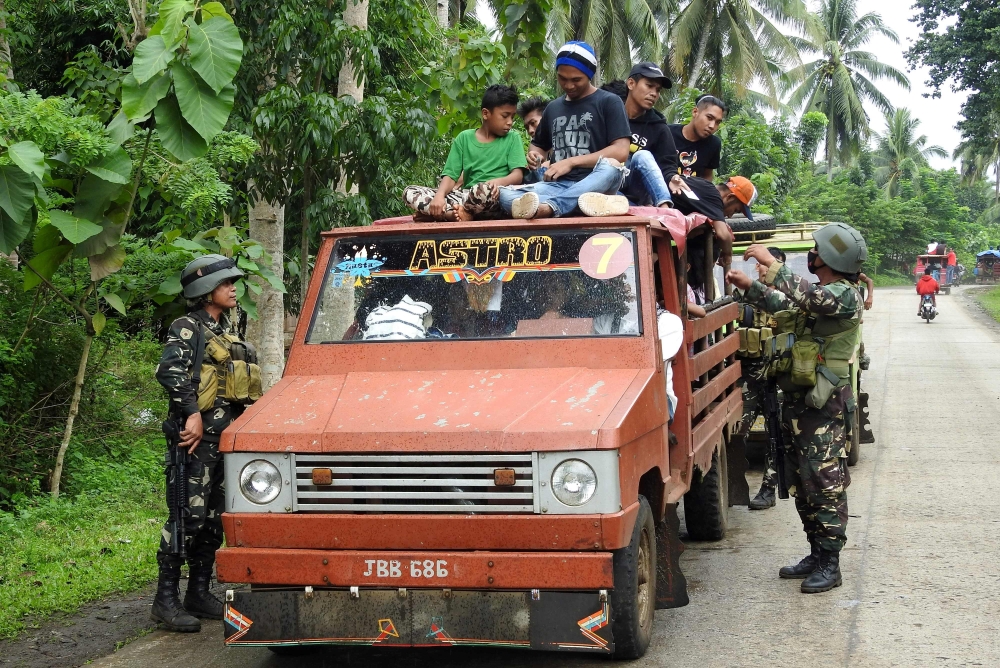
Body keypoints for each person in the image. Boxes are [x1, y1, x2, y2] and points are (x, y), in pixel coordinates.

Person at [726, 223, 867, 594]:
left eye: (818, 250)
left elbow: (809, 298)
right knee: (803, 482)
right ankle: (815, 554)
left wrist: (771, 264)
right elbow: (788, 305)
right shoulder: (821, 293)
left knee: (824, 483)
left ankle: (830, 562)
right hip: (801, 405)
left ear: (831, 257)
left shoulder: (845, 295)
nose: (813, 255)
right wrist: (749, 287)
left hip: (824, 409)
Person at [152, 255, 259, 631]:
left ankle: (197, 592)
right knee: (187, 518)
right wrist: (192, 413)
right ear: (204, 291)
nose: (233, 287)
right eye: (226, 282)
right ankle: (165, 600)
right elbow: (169, 371)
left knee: (214, 521)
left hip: (225, 444)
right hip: (195, 443)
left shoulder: (226, 331)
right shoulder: (187, 327)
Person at [499, 41, 630, 219]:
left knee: (612, 167)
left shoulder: (609, 102)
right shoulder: (553, 108)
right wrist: (535, 156)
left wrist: (571, 162)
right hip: (558, 185)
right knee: (506, 195)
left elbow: (621, 151)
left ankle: (552, 207)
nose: (568, 85)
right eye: (562, 78)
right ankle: (588, 204)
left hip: (598, 181)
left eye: (576, 80)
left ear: (589, 74)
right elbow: (538, 146)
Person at [404, 84, 527, 221]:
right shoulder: (464, 138)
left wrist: (496, 183)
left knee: (482, 190)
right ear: (486, 114)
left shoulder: (513, 138)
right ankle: (452, 213)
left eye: (512, 117)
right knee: (410, 192)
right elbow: (451, 176)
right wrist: (439, 196)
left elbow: (518, 175)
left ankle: (445, 214)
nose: (510, 122)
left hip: (493, 198)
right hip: (465, 196)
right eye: (505, 116)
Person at [735, 246, 787, 510]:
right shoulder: (744, 295)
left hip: (778, 377)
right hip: (749, 375)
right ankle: (732, 487)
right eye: (760, 266)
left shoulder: (790, 298)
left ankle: (768, 489)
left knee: (775, 436)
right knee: (737, 431)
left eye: (767, 266)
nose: (761, 270)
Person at [595, 63, 676, 209]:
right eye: (649, 86)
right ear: (631, 83)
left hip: (638, 192)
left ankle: (665, 209)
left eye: (658, 90)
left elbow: (667, 165)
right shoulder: (607, 116)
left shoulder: (659, 127)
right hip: (608, 188)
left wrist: (673, 177)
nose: (654, 94)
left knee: (642, 155)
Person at [670, 94, 725, 180]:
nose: (712, 126)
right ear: (695, 112)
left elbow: (707, 176)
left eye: (717, 122)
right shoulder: (668, 132)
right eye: (709, 118)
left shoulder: (713, 144)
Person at [517, 97, 549, 184]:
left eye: (533, 123)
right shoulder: (534, 146)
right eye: (527, 127)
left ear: (546, 117)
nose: (530, 130)